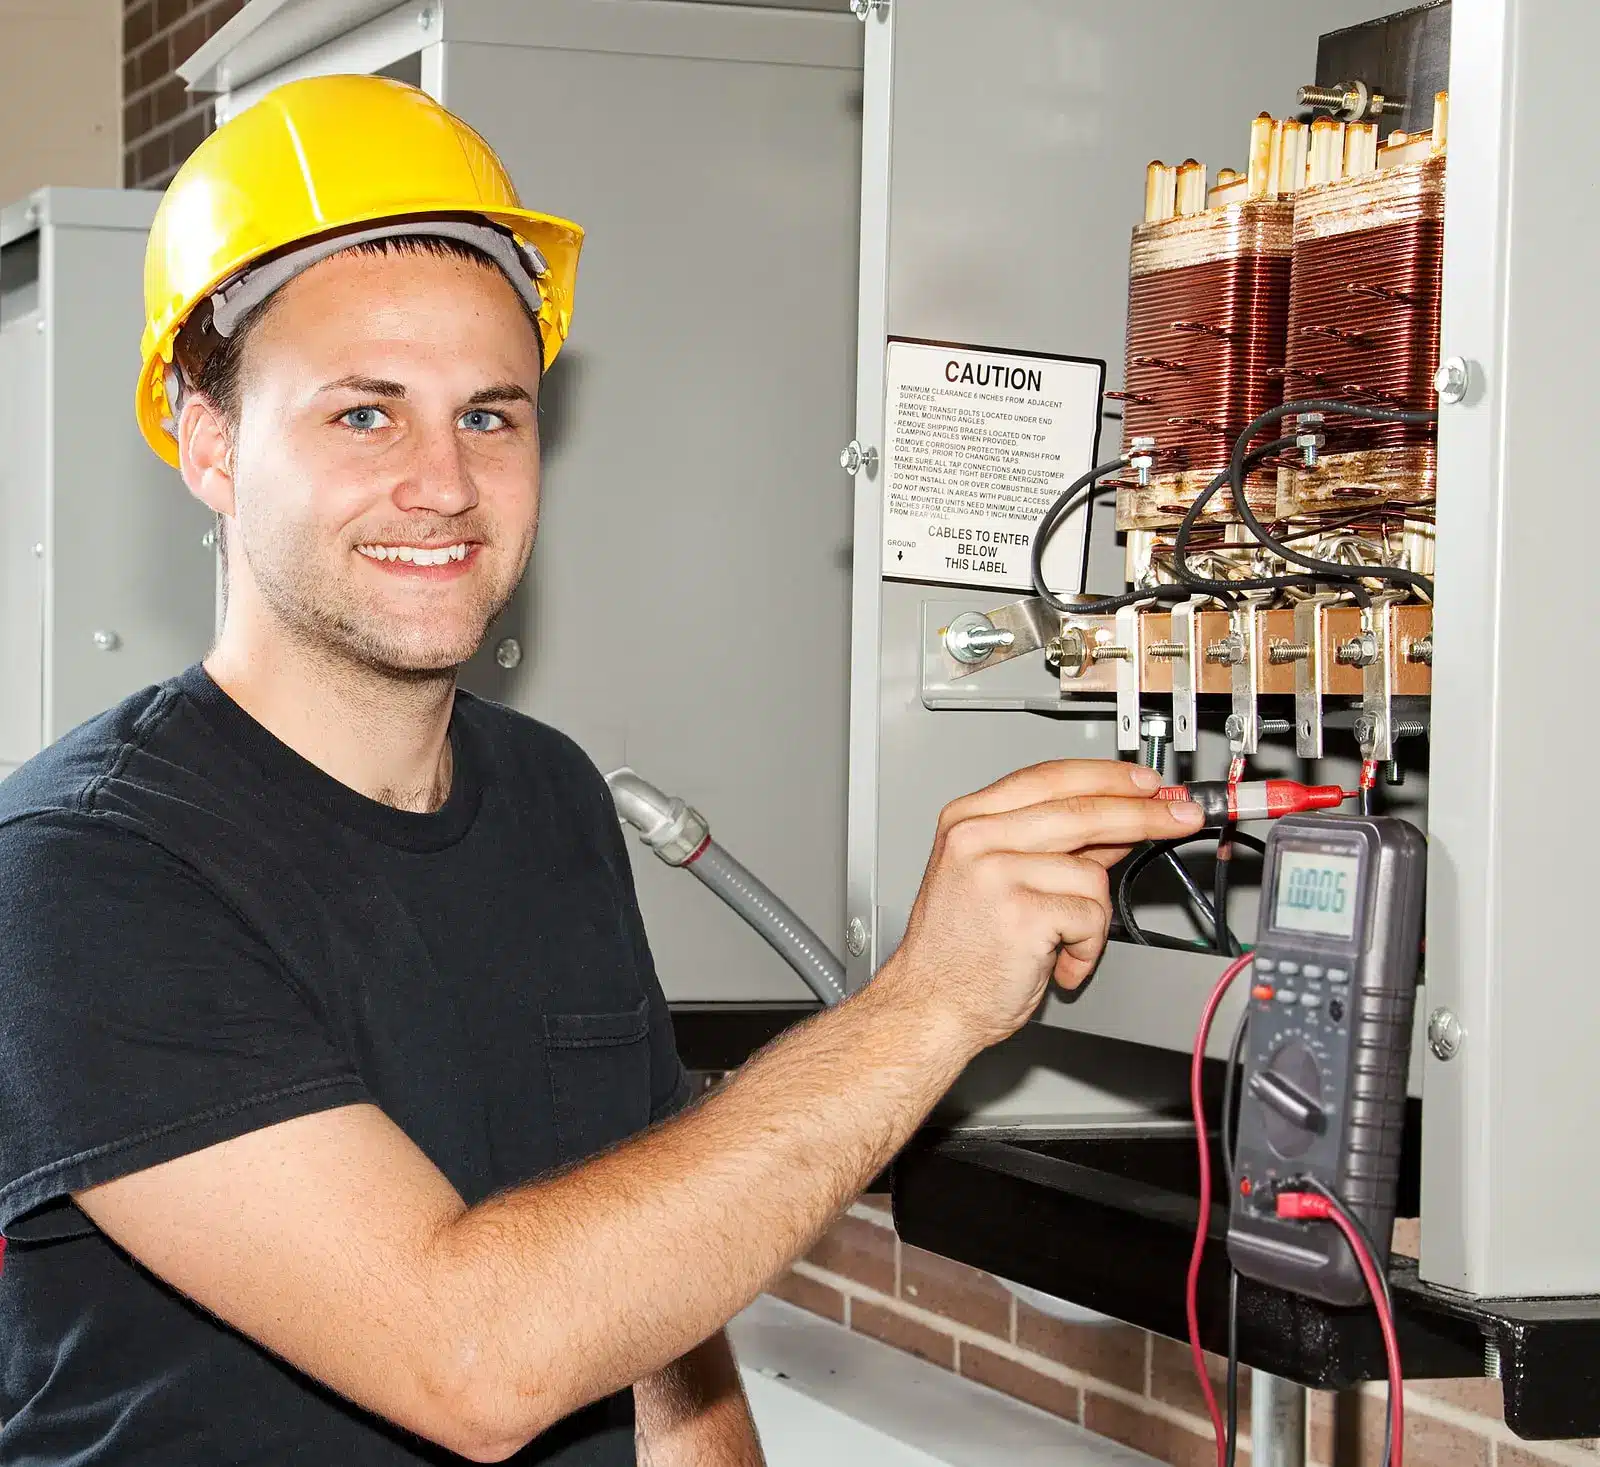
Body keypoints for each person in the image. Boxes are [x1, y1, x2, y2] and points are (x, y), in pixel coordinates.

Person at [0, 75, 1204, 1465]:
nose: (444, 482)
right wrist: (928, 1003)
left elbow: (648, 1303)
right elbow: (471, 1352)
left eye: (492, 415)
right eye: (363, 415)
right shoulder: (83, 869)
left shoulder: (548, 796)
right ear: (210, 445)